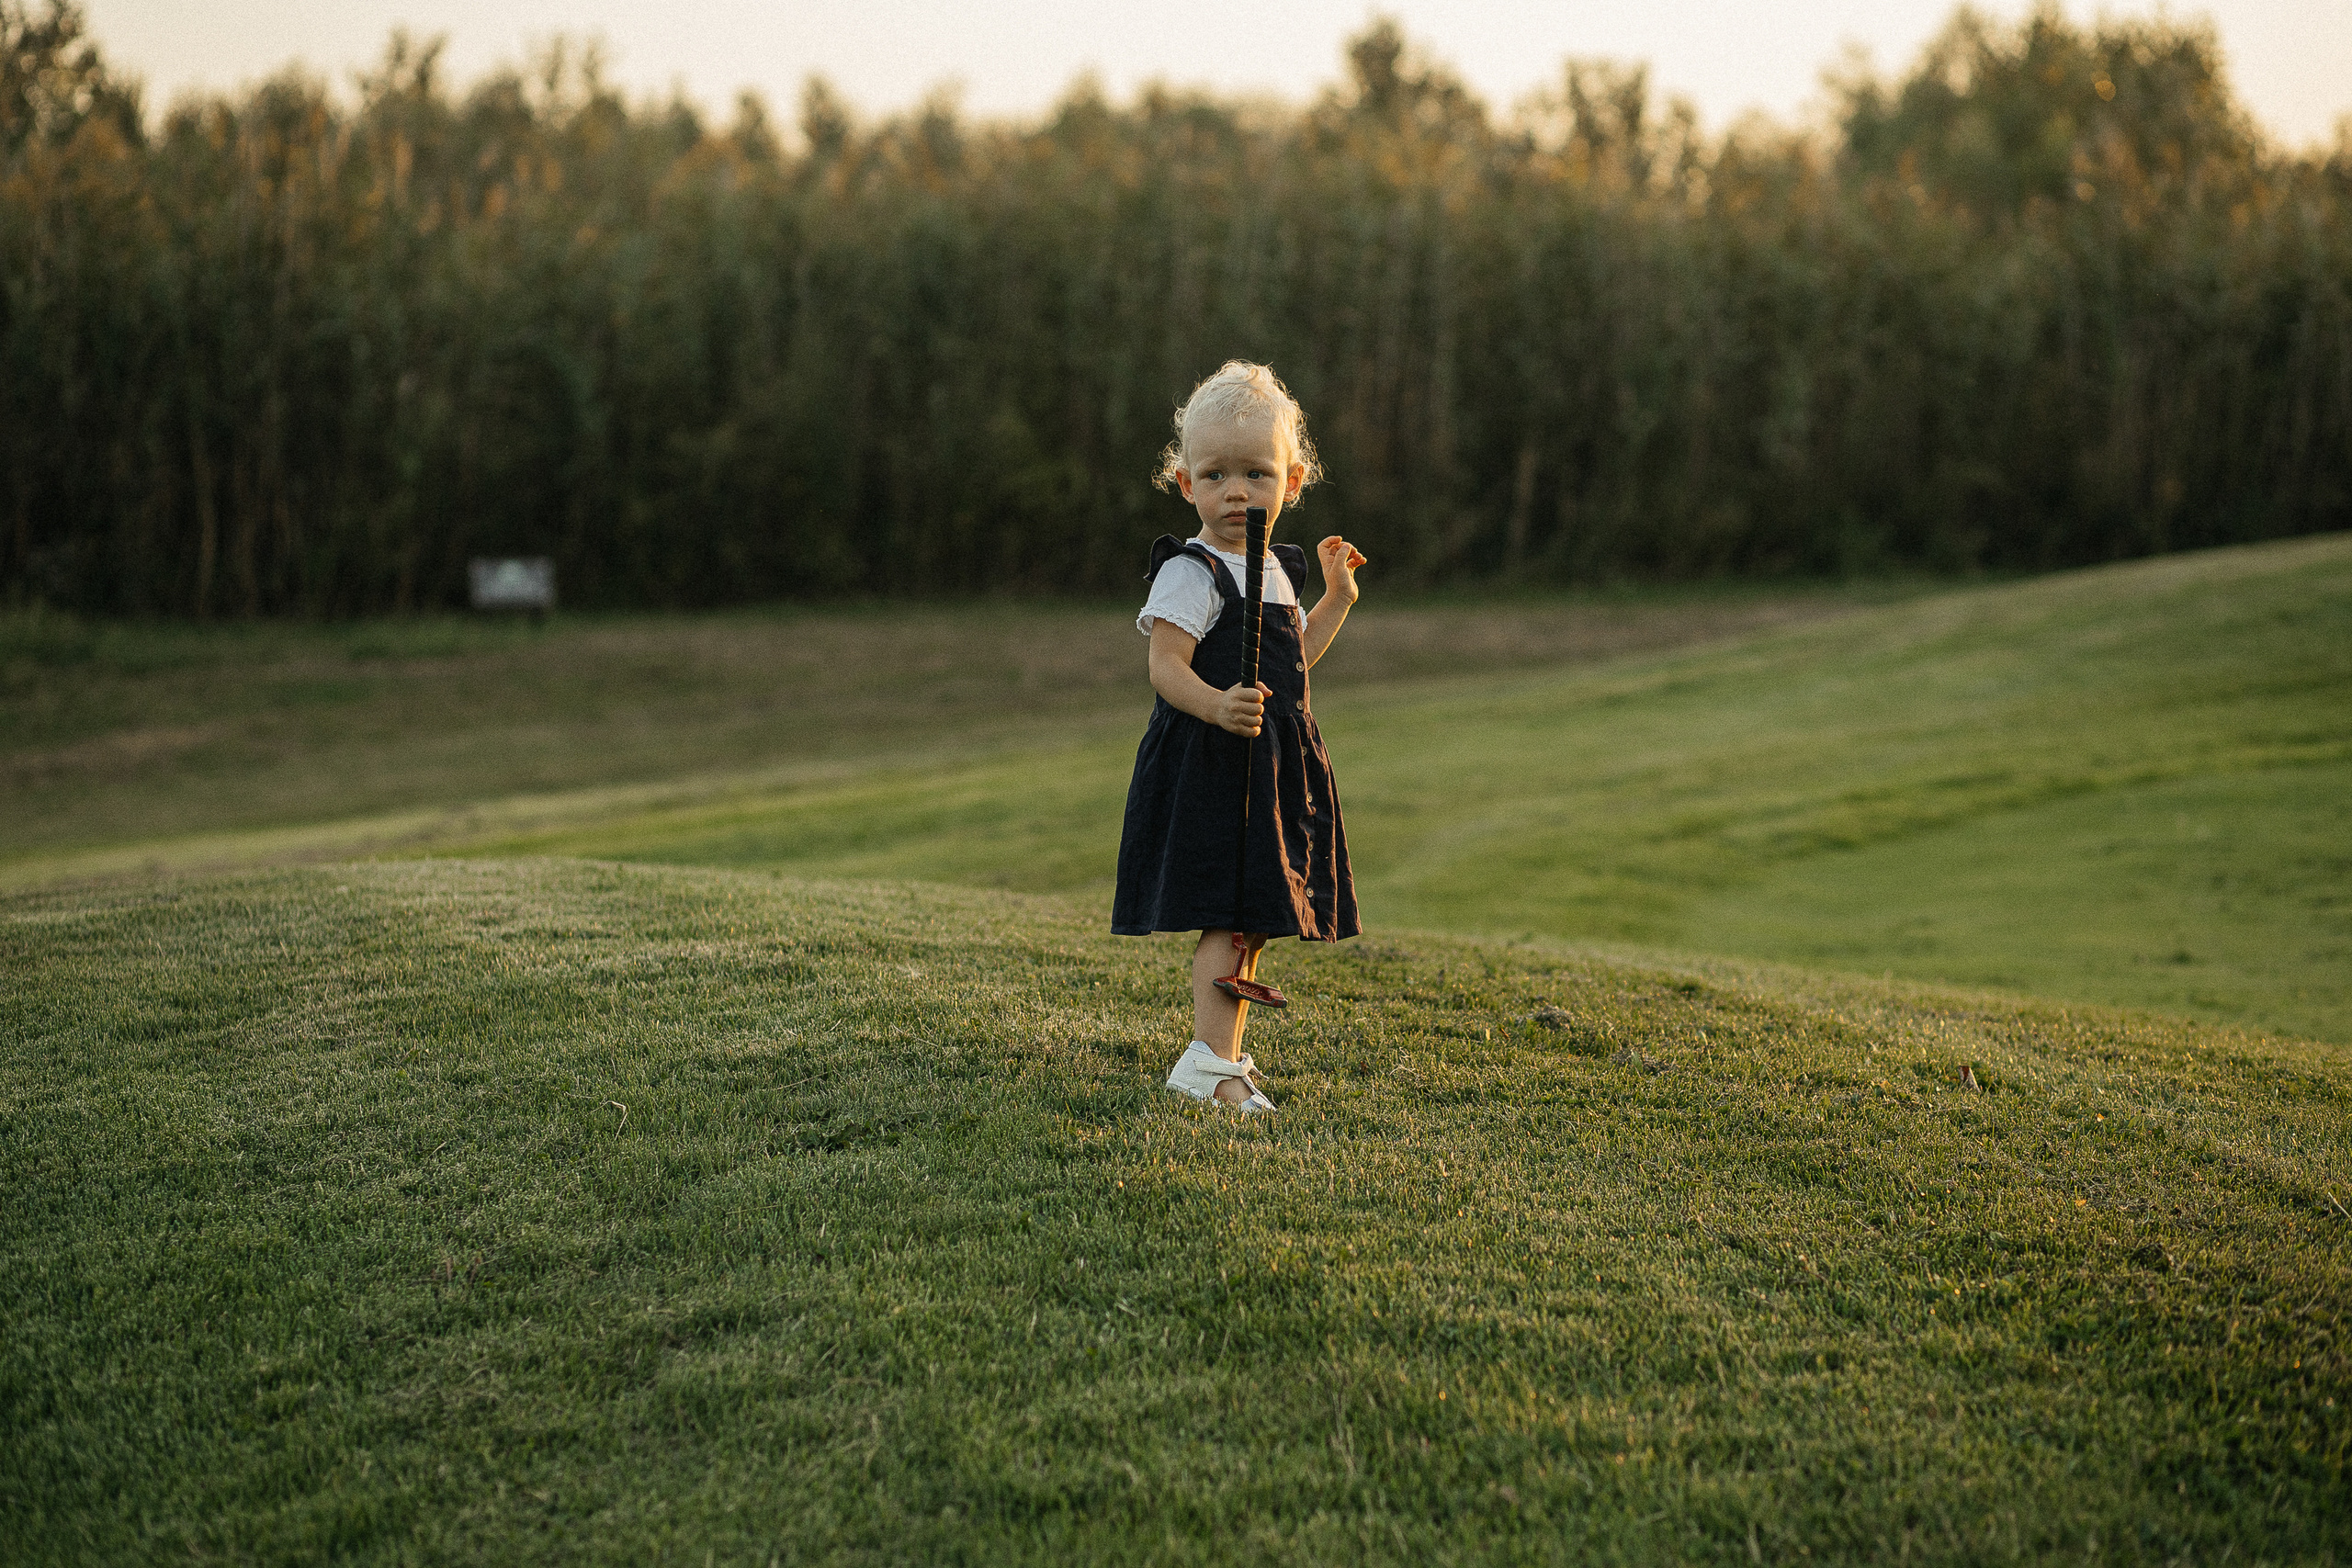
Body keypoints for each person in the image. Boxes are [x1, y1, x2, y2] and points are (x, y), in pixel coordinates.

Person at [1112, 361, 1366, 1113]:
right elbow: (1165, 666)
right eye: (1215, 474)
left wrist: (1337, 599)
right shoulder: (1192, 574)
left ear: (1291, 482)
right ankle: (1207, 1066)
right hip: (1212, 765)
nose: (1236, 492)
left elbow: (1293, 661)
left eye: (1256, 474)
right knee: (1226, 914)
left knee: (1253, 915)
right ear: (1186, 483)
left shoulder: (1278, 570)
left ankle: (1224, 1056)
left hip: (1272, 770)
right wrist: (1216, 705)